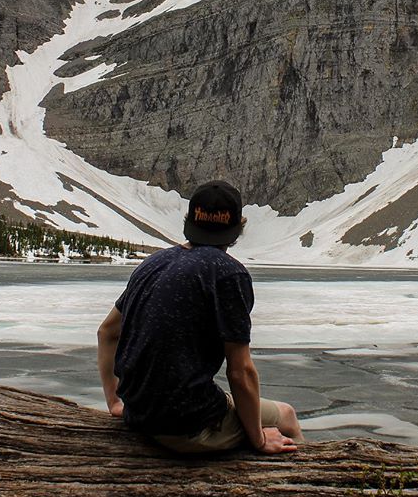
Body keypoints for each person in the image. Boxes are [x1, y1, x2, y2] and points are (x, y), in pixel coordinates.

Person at [97, 180, 302, 454]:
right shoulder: (228, 273)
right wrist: (259, 439)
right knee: (286, 415)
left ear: (188, 220)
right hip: (188, 426)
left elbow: (107, 332)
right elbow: (240, 371)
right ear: (237, 229)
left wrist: (115, 401)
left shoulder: (152, 264)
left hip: (138, 414)